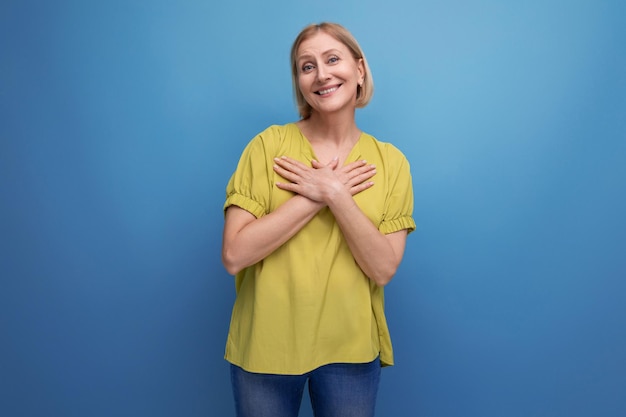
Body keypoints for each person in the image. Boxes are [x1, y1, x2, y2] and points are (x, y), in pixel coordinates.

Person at [221, 22, 416, 417]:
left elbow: (382, 268)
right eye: (306, 66)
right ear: (299, 82)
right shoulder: (268, 146)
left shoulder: (391, 163)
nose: (322, 74)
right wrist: (315, 195)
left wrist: (337, 195)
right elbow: (234, 254)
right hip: (265, 347)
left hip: (350, 350)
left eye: (332, 59)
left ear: (359, 70)